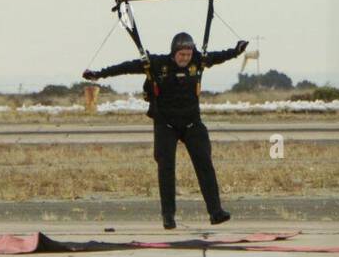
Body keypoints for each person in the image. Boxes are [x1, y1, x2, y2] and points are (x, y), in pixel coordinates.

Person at [83, 32, 248, 229]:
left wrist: (237, 51)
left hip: (192, 123)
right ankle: (168, 216)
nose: (185, 59)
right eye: (182, 55)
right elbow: (125, 67)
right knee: (166, 168)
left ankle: (216, 212)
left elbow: (219, 56)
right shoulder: (156, 64)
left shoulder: (198, 61)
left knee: (205, 164)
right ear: (174, 53)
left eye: (188, 55)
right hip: (165, 124)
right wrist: (99, 74)